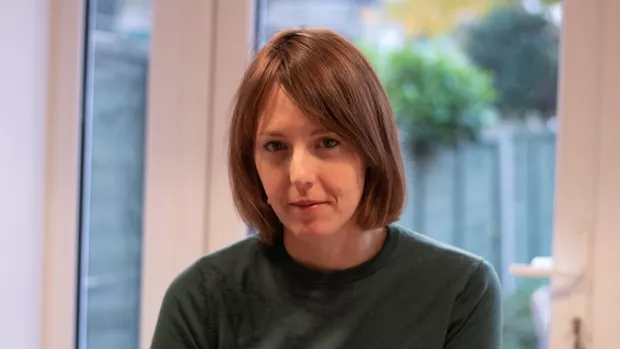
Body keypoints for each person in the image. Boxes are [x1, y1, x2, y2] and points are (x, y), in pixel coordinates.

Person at [150, 28, 502, 349]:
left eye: (327, 142)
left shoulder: (459, 290)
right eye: (275, 146)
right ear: (250, 163)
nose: (299, 174)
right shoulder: (202, 298)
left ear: (372, 149)